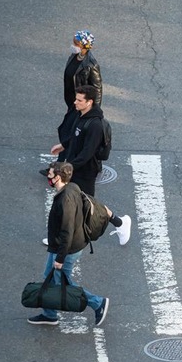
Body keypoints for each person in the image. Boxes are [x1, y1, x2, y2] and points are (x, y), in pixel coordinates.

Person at [28, 162, 115, 326]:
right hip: (63, 246)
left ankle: (98, 303)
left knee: (63, 281)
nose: (48, 176)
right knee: (50, 276)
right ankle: (49, 313)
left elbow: (66, 232)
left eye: (51, 174)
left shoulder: (65, 200)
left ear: (58, 177)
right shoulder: (73, 187)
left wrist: (60, 259)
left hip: (66, 249)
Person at [42, 30, 102, 171]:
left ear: (84, 46)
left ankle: (59, 167)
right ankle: (63, 164)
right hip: (73, 103)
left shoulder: (91, 65)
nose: (73, 45)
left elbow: (97, 90)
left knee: (67, 132)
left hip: (82, 106)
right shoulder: (75, 56)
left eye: (76, 43)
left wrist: (92, 111)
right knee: (69, 132)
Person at [51, 85, 104, 196]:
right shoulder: (80, 114)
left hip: (85, 172)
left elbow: (87, 152)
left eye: (79, 100)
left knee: (85, 201)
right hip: (74, 167)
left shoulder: (95, 125)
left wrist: (69, 167)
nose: (75, 102)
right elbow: (75, 135)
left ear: (89, 102)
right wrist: (63, 145)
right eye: (76, 99)